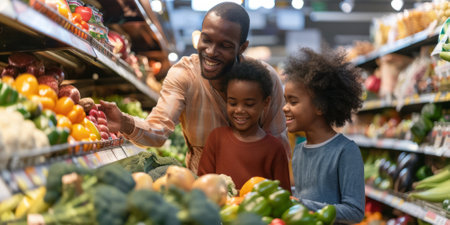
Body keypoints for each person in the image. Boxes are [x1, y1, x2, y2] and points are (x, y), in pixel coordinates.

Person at [99, 2, 289, 173]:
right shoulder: (184, 75)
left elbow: (278, 143)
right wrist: (124, 122)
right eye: (206, 40)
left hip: (254, 187)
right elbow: (158, 129)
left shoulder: (266, 80)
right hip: (203, 184)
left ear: (242, 47)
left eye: (224, 45)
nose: (211, 52)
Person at [282, 48, 365, 223]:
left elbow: (355, 211)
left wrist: (301, 204)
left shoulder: (346, 151)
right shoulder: (298, 151)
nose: (285, 108)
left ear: (320, 107)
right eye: (285, 101)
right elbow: (305, 196)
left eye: (293, 101)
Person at [197, 60, 291, 191]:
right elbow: (202, 184)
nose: (239, 110)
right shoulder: (216, 138)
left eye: (249, 104)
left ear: (266, 102)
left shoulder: (275, 148)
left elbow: (283, 196)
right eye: (233, 103)